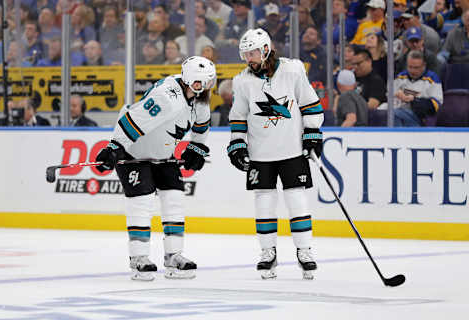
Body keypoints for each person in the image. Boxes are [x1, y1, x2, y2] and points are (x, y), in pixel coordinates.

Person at [95, 56, 216, 281]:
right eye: (201, 83)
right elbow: (133, 120)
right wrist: (115, 147)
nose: (205, 88)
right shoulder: (167, 97)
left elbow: (202, 125)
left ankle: (174, 255)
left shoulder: (199, 101)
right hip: (135, 153)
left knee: (174, 197)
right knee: (141, 200)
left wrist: (197, 148)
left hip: (163, 154)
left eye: (209, 83)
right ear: (189, 80)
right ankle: (139, 257)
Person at [227, 28, 323, 280]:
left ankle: (304, 251)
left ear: (266, 49)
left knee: (296, 199)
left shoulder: (293, 71)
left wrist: (312, 133)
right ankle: (268, 252)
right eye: (245, 53)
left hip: (291, 151)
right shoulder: (242, 81)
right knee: (264, 202)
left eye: (254, 52)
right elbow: (238, 116)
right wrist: (237, 143)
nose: (249, 58)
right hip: (260, 154)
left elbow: (311, 105)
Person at [393, 50, 443, 127]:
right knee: (383, 111)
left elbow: (436, 105)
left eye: (416, 68)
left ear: (424, 65)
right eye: (410, 67)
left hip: (420, 116)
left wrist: (414, 100)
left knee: (394, 114)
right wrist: (397, 94)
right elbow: (390, 96)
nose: (412, 71)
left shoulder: (432, 79)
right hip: (399, 110)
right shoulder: (400, 77)